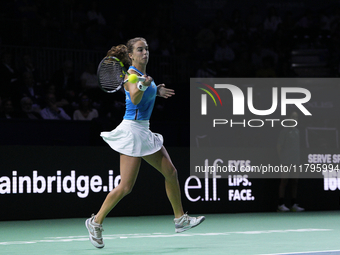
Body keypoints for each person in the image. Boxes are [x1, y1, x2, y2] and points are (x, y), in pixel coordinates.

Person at [85, 37, 205, 249]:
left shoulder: (143, 76)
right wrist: (143, 85)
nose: (145, 52)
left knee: (171, 172)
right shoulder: (132, 76)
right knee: (126, 187)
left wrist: (155, 90)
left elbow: (145, 94)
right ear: (131, 55)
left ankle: (180, 219)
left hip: (144, 129)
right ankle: (95, 222)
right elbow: (135, 97)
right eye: (140, 50)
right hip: (132, 132)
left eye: (147, 49)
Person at [277, 111, 305, 212]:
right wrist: (282, 160)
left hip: (296, 161)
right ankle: (281, 204)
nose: (295, 119)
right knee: (284, 181)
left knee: (295, 182)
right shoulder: (284, 131)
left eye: (296, 117)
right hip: (286, 161)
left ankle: (293, 204)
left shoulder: (297, 131)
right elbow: (279, 147)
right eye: (293, 117)